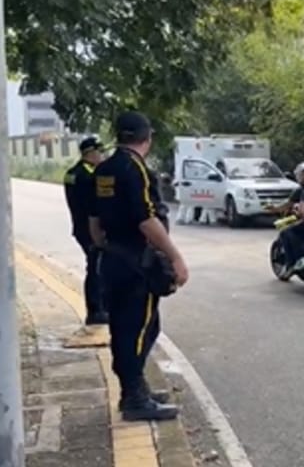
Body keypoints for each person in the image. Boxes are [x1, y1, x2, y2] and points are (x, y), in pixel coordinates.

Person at [88, 111, 189, 421]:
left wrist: (103, 246)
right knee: (135, 328)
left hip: (113, 258)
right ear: (147, 137)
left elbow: (94, 219)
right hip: (135, 263)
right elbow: (147, 219)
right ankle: (134, 398)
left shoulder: (103, 168)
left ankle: (136, 388)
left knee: (132, 326)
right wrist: (175, 257)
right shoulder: (136, 169)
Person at [63, 136, 108, 325]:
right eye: (100, 152)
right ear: (90, 153)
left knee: (94, 266)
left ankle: (97, 308)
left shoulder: (72, 172)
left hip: (80, 227)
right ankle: (96, 310)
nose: (103, 155)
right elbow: (94, 206)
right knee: (96, 268)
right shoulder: (88, 177)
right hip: (90, 229)